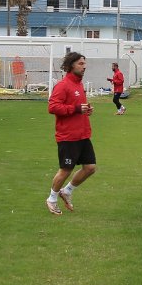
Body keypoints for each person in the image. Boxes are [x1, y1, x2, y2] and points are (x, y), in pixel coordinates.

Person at [46, 52, 97, 215]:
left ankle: (67, 191)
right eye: (81, 64)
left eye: (84, 63)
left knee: (90, 167)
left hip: (83, 134)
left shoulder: (79, 84)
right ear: (71, 65)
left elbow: (77, 107)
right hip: (68, 136)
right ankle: (51, 199)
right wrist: (75, 109)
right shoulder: (62, 85)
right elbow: (52, 107)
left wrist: (86, 110)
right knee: (65, 170)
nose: (84, 67)